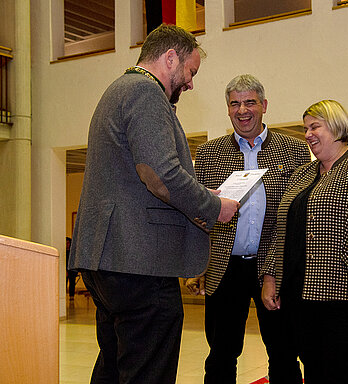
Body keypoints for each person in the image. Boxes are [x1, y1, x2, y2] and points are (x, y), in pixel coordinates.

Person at [68, 24, 239, 384]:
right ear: (170, 57)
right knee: (149, 372)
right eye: (191, 72)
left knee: (115, 366)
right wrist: (213, 206)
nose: (190, 83)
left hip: (108, 258)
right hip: (140, 261)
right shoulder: (145, 93)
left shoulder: (117, 91)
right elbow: (160, 175)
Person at [261, 100, 348, 384]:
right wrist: (270, 276)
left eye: (315, 126)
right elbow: (281, 231)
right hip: (302, 298)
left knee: (347, 373)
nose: (308, 134)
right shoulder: (302, 174)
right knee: (314, 371)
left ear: (337, 126)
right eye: (305, 128)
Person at [187, 74, 310, 383]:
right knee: (221, 354)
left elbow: (298, 214)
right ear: (228, 109)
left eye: (250, 102)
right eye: (235, 104)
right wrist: (196, 265)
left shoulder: (293, 150)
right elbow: (196, 213)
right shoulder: (208, 153)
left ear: (264, 106)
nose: (243, 110)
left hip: (274, 268)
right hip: (224, 269)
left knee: (283, 351)